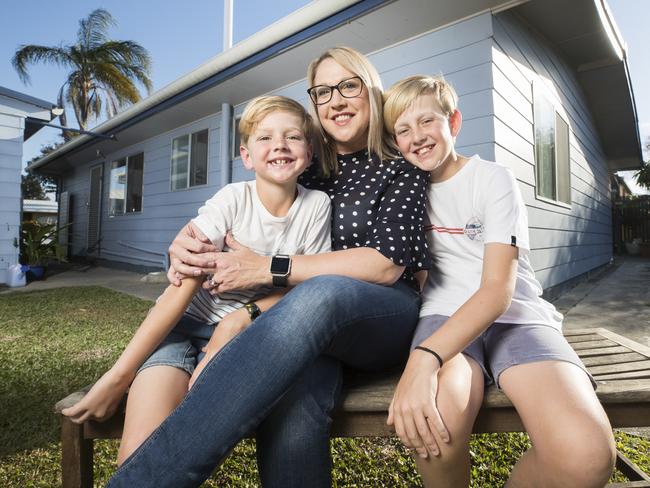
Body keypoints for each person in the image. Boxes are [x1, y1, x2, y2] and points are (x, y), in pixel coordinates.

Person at [107, 46, 431, 488]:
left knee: (325, 291)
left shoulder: (400, 167)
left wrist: (262, 276)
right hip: (296, 323)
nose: (336, 100)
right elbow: (242, 214)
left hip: (380, 314)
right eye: (322, 92)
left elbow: (385, 265)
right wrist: (184, 248)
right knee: (296, 398)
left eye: (349, 86)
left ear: (372, 92)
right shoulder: (305, 165)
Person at [62, 95, 332, 465]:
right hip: (178, 326)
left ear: (310, 151)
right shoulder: (232, 200)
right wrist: (118, 375)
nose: (280, 145)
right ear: (246, 155)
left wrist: (234, 327)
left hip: (247, 336)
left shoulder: (316, 206)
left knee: (196, 437)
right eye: (265, 137)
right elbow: (183, 284)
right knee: (139, 453)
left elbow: (305, 285)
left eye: (293, 136)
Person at [383, 75, 616, 487]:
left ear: (453, 123)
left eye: (426, 121)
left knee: (586, 455)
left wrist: (422, 359)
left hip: (514, 315)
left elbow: (497, 291)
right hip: (444, 316)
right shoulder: (402, 191)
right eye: (403, 130)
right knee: (440, 423)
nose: (416, 137)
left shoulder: (493, 178)